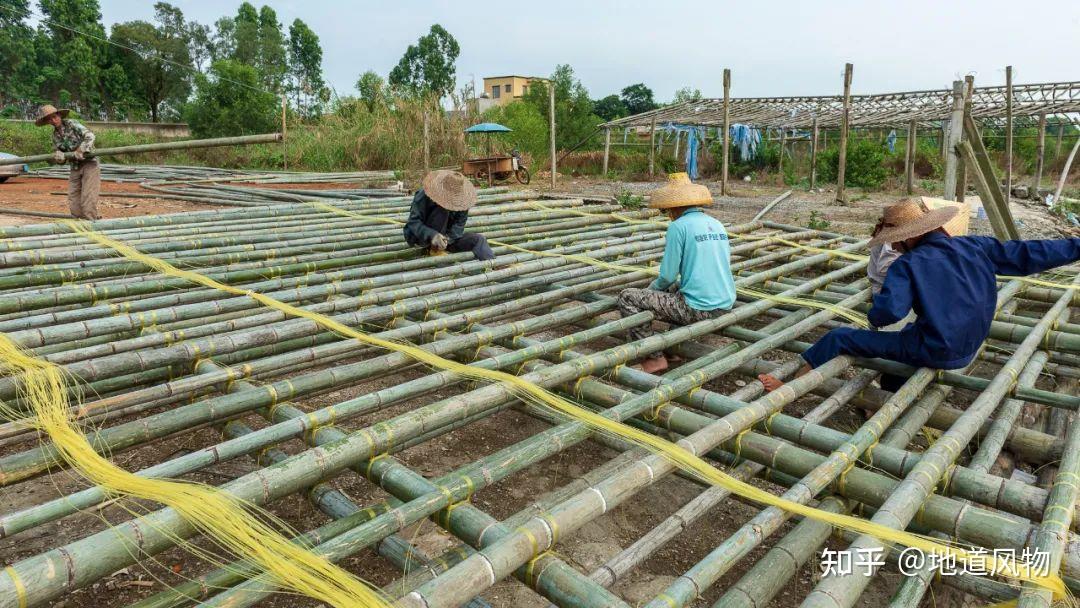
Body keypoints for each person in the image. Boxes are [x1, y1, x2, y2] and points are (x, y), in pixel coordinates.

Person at [758, 199, 1080, 393]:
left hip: (938, 349)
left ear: (911, 237)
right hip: (970, 345)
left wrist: (874, 312)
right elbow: (1031, 253)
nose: (893, 245)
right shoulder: (974, 246)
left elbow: (889, 314)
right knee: (908, 340)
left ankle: (787, 389)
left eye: (895, 240)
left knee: (839, 337)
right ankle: (885, 395)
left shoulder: (907, 265)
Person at [617, 177, 737, 373]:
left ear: (674, 208)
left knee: (628, 297)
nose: (668, 214)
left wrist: (647, 292)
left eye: (667, 210)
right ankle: (672, 349)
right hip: (725, 302)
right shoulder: (716, 224)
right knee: (675, 290)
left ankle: (653, 357)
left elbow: (667, 276)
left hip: (700, 308)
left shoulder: (678, 226)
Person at [404, 170, 494, 261]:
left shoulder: (462, 201)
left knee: (479, 239)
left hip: (447, 240)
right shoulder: (424, 195)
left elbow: (459, 225)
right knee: (442, 211)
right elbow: (413, 222)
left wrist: (448, 239)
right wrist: (432, 235)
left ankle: (491, 264)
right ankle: (433, 250)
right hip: (420, 238)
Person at [35, 105, 99, 221]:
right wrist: (60, 158)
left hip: (89, 163)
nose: (53, 121)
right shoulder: (55, 136)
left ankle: (91, 224)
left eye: (54, 117)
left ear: (59, 115)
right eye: (49, 119)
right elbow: (60, 155)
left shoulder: (72, 124)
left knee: (88, 197)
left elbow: (90, 136)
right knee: (73, 198)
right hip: (74, 166)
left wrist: (81, 149)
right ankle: (79, 223)